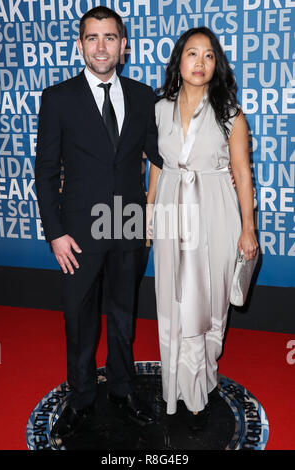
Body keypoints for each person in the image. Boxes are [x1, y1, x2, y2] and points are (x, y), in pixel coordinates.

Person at [35, 6, 163, 444]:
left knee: (124, 314)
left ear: (124, 45)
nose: (101, 46)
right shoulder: (58, 98)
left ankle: (124, 388)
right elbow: (46, 170)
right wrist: (55, 231)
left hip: (127, 221)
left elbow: (162, 156)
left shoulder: (145, 96)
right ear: (80, 45)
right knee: (79, 317)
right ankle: (82, 395)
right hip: (78, 230)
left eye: (110, 37)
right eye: (92, 37)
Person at [147, 27, 258, 421]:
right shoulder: (159, 108)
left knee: (208, 305)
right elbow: (158, 165)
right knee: (171, 302)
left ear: (217, 64)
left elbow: (243, 175)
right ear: (179, 61)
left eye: (208, 56)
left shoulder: (230, 113)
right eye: (192, 54)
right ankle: (174, 385)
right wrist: (149, 209)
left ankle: (200, 383)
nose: (200, 62)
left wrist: (248, 228)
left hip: (216, 211)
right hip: (170, 213)